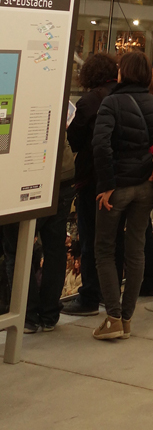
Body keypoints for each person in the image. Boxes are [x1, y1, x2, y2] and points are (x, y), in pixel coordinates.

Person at [91, 49, 153, 340]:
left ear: (123, 73)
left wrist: (107, 184)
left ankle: (112, 318)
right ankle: (128, 317)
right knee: (135, 251)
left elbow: (100, 145)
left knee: (105, 250)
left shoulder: (111, 103)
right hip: (145, 188)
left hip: (117, 187)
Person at [61, 52, 119, 317]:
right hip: (123, 177)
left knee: (90, 239)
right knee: (114, 238)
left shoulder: (90, 101)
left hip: (93, 178)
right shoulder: (125, 96)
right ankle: (112, 293)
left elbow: (75, 138)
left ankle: (89, 296)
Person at [2, 127, 76, 333]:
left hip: (25, 181)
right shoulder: (57, 99)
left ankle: (28, 315)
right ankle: (49, 314)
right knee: (55, 249)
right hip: (63, 176)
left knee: (16, 250)